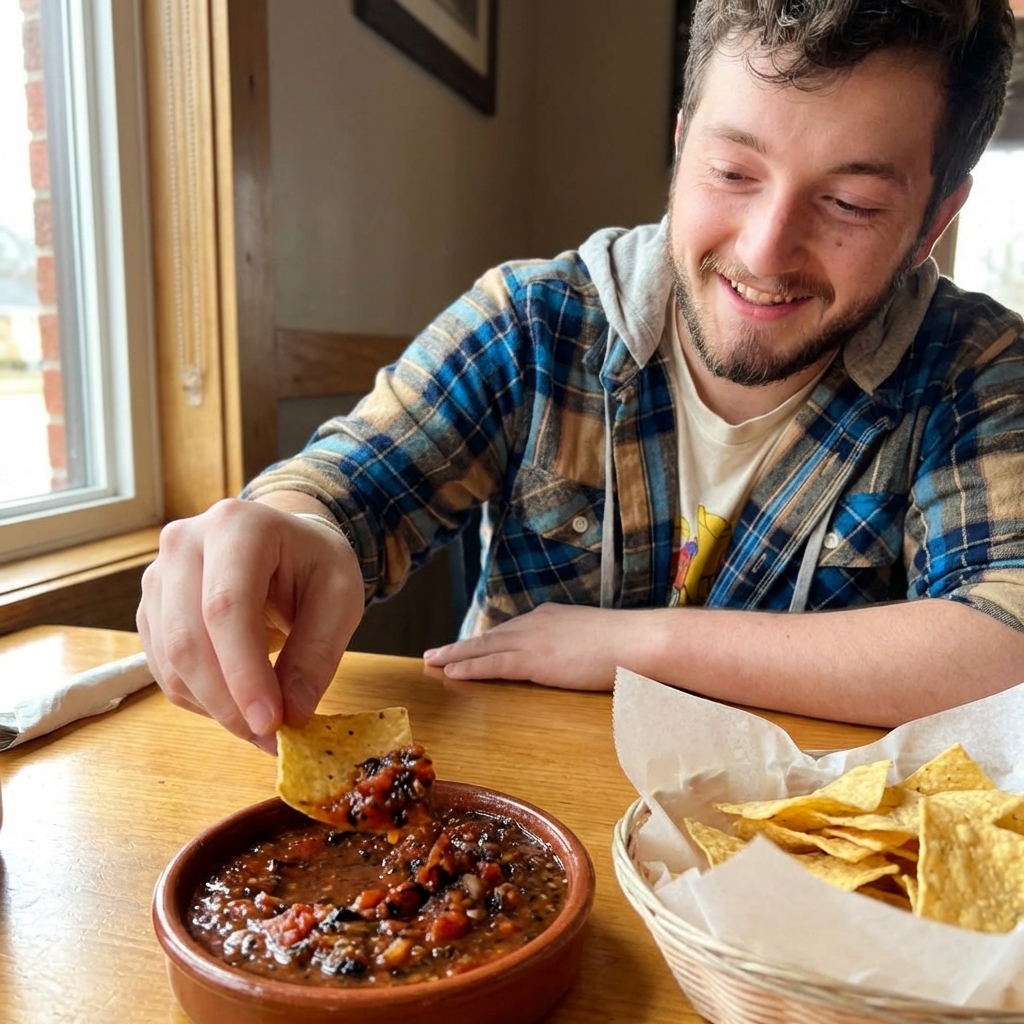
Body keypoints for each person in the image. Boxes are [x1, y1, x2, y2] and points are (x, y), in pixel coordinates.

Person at [138, 0, 1024, 750]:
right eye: (731, 171)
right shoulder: (535, 320)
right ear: (681, 144)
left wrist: (637, 647)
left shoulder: (977, 370)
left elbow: (1006, 647)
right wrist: (291, 531)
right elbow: (348, 485)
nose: (765, 250)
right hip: (503, 839)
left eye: (850, 204)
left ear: (934, 220)